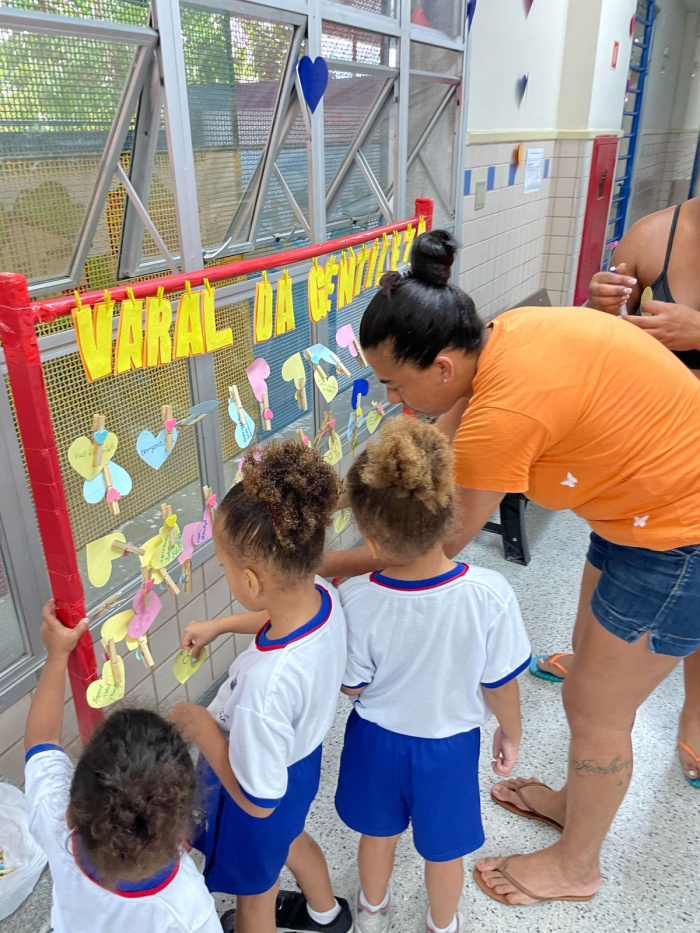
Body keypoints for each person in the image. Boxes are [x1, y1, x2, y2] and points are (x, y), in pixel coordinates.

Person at [321, 230, 700, 905]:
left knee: (596, 706)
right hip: (640, 507)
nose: (392, 400)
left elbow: (438, 539)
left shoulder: (506, 409)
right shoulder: (501, 337)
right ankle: (572, 801)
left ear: (439, 365)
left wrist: (323, 565)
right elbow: (440, 442)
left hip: (680, 537)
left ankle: (578, 866)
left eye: (392, 382)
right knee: (586, 660)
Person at [334, 418, 530, 933]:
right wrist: (510, 728)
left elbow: (352, 684)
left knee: (377, 836)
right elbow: (499, 684)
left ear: (371, 537)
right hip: (449, 748)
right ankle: (442, 924)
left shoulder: (355, 598)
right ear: (451, 511)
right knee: (444, 854)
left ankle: (371, 912)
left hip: (375, 742)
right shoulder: (489, 595)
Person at [533, 197, 700, 788]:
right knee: (606, 564)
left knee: (685, 591)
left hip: (692, 480)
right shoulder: (658, 236)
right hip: (639, 463)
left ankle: (694, 718)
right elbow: (598, 344)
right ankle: (592, 662)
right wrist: (598, 305)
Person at [171, 441, 352, 933]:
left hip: (254, 785)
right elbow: (277, 613)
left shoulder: (264, 685)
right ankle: (326, 914)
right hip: (299, 763)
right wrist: (223, 625)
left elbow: (256, 800)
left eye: (226, 566)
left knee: (256, 897)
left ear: (250, 579)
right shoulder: (323, 597)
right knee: (290, 838)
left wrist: (199, 722)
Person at [24, 600, 222, 933]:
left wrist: (57, 654)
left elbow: (40, 741)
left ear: (72, 811)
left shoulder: (55, 824)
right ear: (183, 830)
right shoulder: (187, 906)